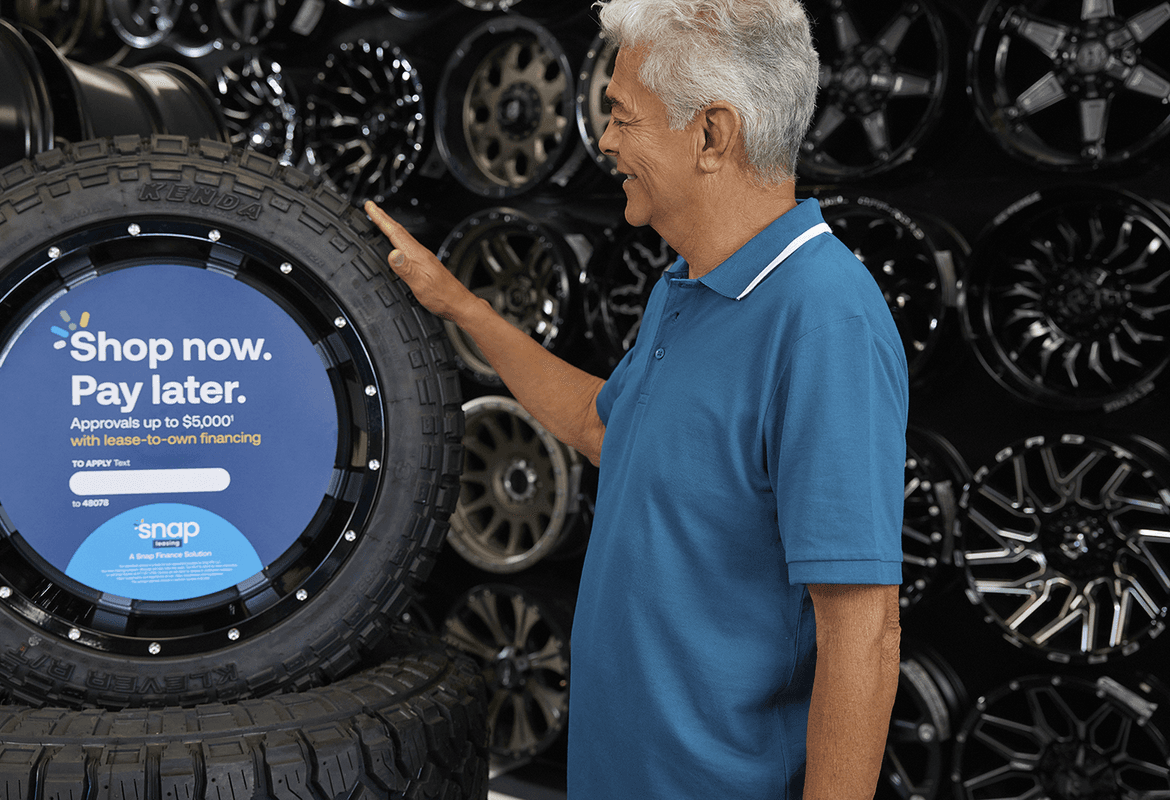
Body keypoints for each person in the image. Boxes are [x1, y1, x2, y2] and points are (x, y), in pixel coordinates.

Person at [365, 0, 907, 797]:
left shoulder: (823, 318)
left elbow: (864, 632)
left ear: (712, 134)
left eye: (622, 116)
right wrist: (463, 308)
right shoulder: (687, 286)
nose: (607, 142)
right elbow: (601, 425)